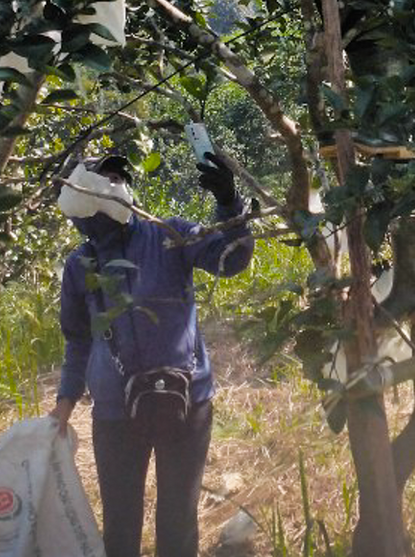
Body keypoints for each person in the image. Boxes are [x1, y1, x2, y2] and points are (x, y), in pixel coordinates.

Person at [51, 149, 254, 557]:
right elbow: (78, 341)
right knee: (121, 528)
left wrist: (230, 205)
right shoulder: (80, 265)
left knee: (178, 523)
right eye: (104, 177)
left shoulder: (170, 235)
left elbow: (232, 261)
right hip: (115, 412)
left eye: (119, 176)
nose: (116, 184)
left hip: (186, 402)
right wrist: (63, 405)